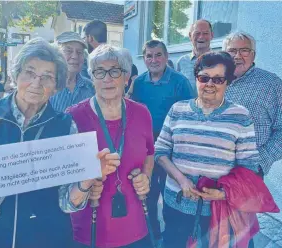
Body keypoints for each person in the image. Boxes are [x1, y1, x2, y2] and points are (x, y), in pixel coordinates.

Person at [0, 38, 119, 248]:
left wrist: (87, 180)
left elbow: (68, 203)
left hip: (47, 239)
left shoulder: (65, 126)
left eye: (47, 77)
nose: (36, 83)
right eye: (29, 73)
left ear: (56, 86)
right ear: (16, 75)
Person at [154, 51, 265, 247]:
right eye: (204, 78)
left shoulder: (240, 116)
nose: (210, 84)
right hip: (177, 205)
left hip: (218, 212)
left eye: (218, 79)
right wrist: (181, 180)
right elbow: (160, 151)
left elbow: (249, 166)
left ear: (228, 82)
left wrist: (224, 193)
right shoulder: (177, 110)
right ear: (196, 78)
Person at [67, 44, 155, 247]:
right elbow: (65, 175)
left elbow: (149, 154)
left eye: (114, 71)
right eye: (99, 72)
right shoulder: (73, 117)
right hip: (90, 229)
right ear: (92, 78)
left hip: (135, 226)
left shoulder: (142, 114)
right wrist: (85, 184)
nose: (107, 78)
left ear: (126, 78)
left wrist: (146, 178)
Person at [130, 40, 194, 244]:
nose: (154, 59)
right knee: (148, 191)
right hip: (146, 147)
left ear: (166, 57)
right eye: (149, 55)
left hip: (173, 147)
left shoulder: (180, 82)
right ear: (144, 58)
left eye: (158, 55)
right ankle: (152, 233)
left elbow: (190, 115)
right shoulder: (138, 83)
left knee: (171, 191)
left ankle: (171, 236)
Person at [223, 31, 282, 177]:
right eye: (232, 50)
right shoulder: (215, 81)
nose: (237, 56)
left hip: (250, 171)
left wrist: (261, 161)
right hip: (213, 167)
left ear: (253, 55)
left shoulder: (271, 84)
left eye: (244, 50)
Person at [50, 31, 95, 112]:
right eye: (69, 51)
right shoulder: (47, 85)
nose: (75, 56)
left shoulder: (91, 87)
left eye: (79, 52)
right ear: (57, 54)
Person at [177, 19, 214, 94]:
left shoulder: (220, 60)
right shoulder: (181, 62)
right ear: (190, 36)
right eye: (197, 33)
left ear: (212, 36)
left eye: (205, 33)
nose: (201, 37)